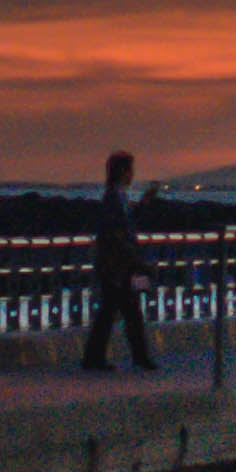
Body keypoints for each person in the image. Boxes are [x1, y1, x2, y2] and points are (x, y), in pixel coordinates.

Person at [85, 151, 154, 374]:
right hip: (118, 267)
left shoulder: (118, 196)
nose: (133, 174)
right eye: (130, 169)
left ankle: (97, 358)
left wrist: (143, 204)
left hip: (120, 266)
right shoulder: (114, 198)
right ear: (123, 172)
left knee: (117, 311)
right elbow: (117, 233)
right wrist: (135, 260)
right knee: (124, 311)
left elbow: (125, 224)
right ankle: (136, 357)